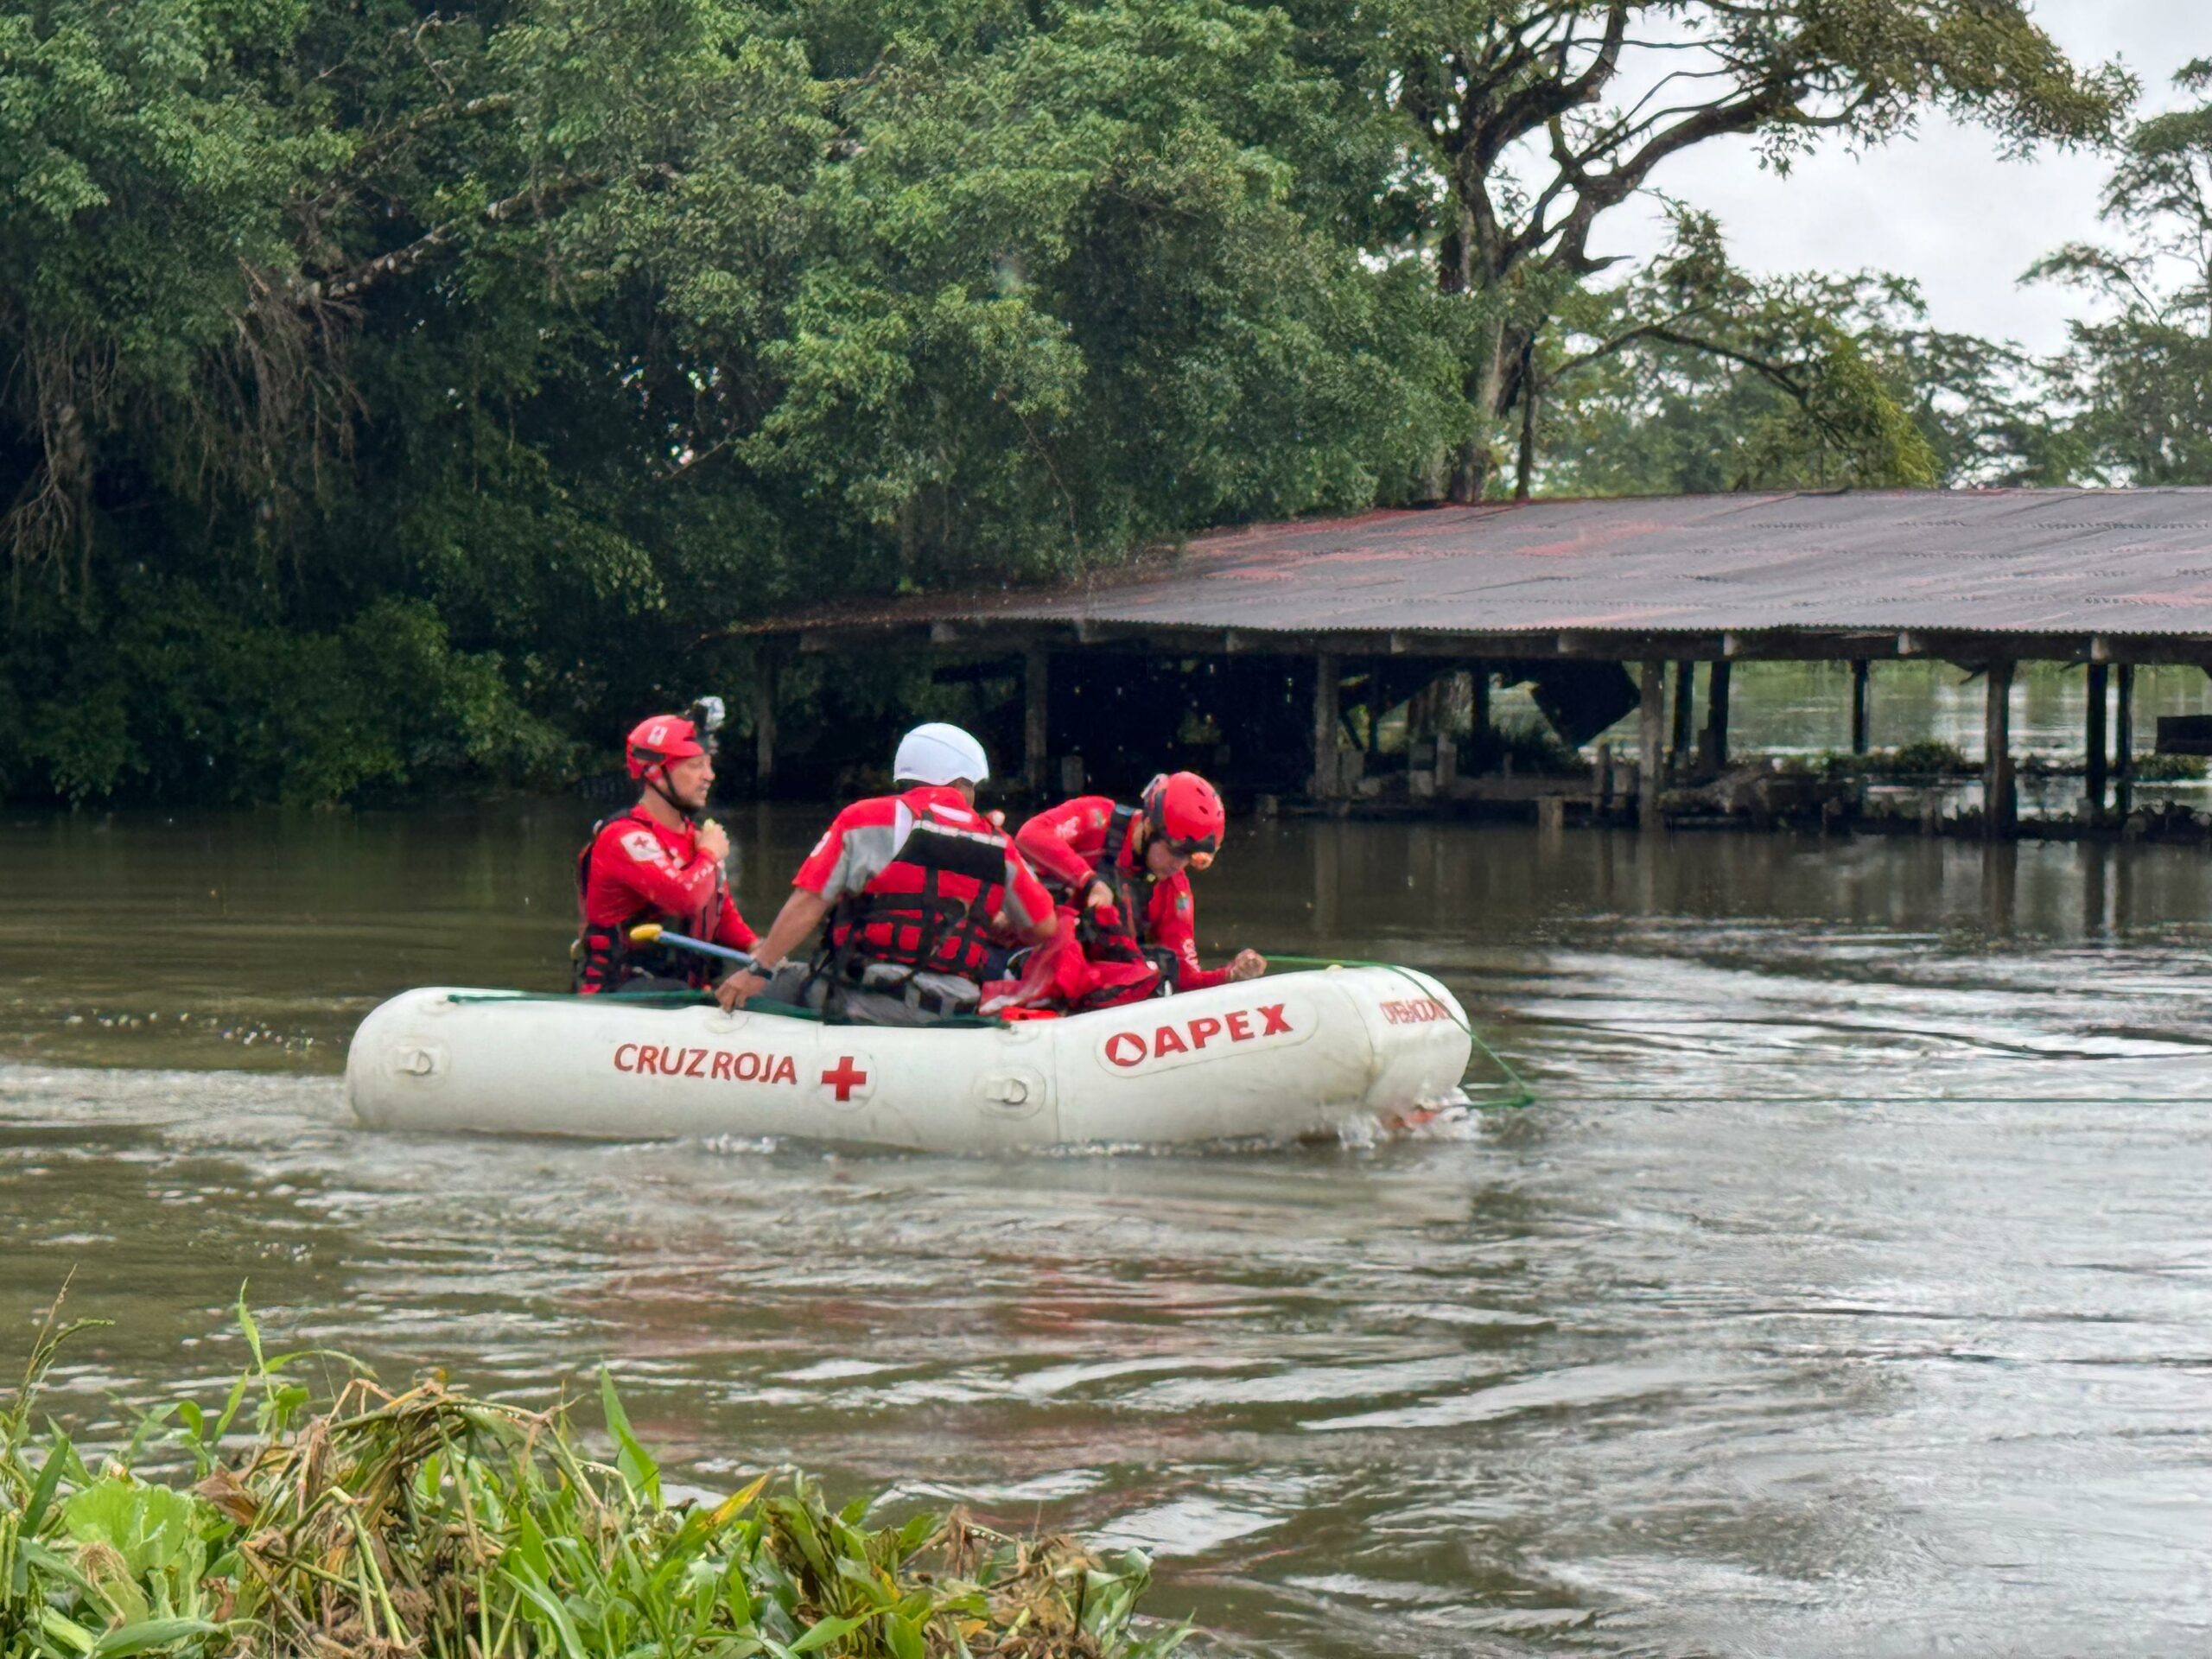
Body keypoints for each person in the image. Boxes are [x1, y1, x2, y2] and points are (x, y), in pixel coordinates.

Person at [713, 722, 1056, 1026]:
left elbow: (810, 901)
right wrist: (996, 922)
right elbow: (1042, 926)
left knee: (774, 981)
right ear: (960, 781)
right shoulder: (999, 843)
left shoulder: (865, 818)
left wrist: (759, 970)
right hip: (955, 1007)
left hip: (864, 997)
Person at [1001, 771, 1264, 1011]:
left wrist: (1230, 976)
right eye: (1174, 851)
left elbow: (1186, 979)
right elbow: (1030, 835)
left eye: (1190, 858)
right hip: (1025, 954)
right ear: (1149, 826)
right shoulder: (1097, 817)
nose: (1178, 865)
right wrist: (1088, 881)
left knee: (1158, 971)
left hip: (1091, 988)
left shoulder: (1176, 891)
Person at [575, 709, 755, 994]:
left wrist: (762, 952)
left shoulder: (698, 838)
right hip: (620, 994)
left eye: (709, 764)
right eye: (696, 766)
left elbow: (727, 924)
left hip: (685, 996)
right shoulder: (624, 837)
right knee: (671, 989)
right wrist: (709, 855)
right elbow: (684, 899)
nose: (709, 776)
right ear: (655, 772)